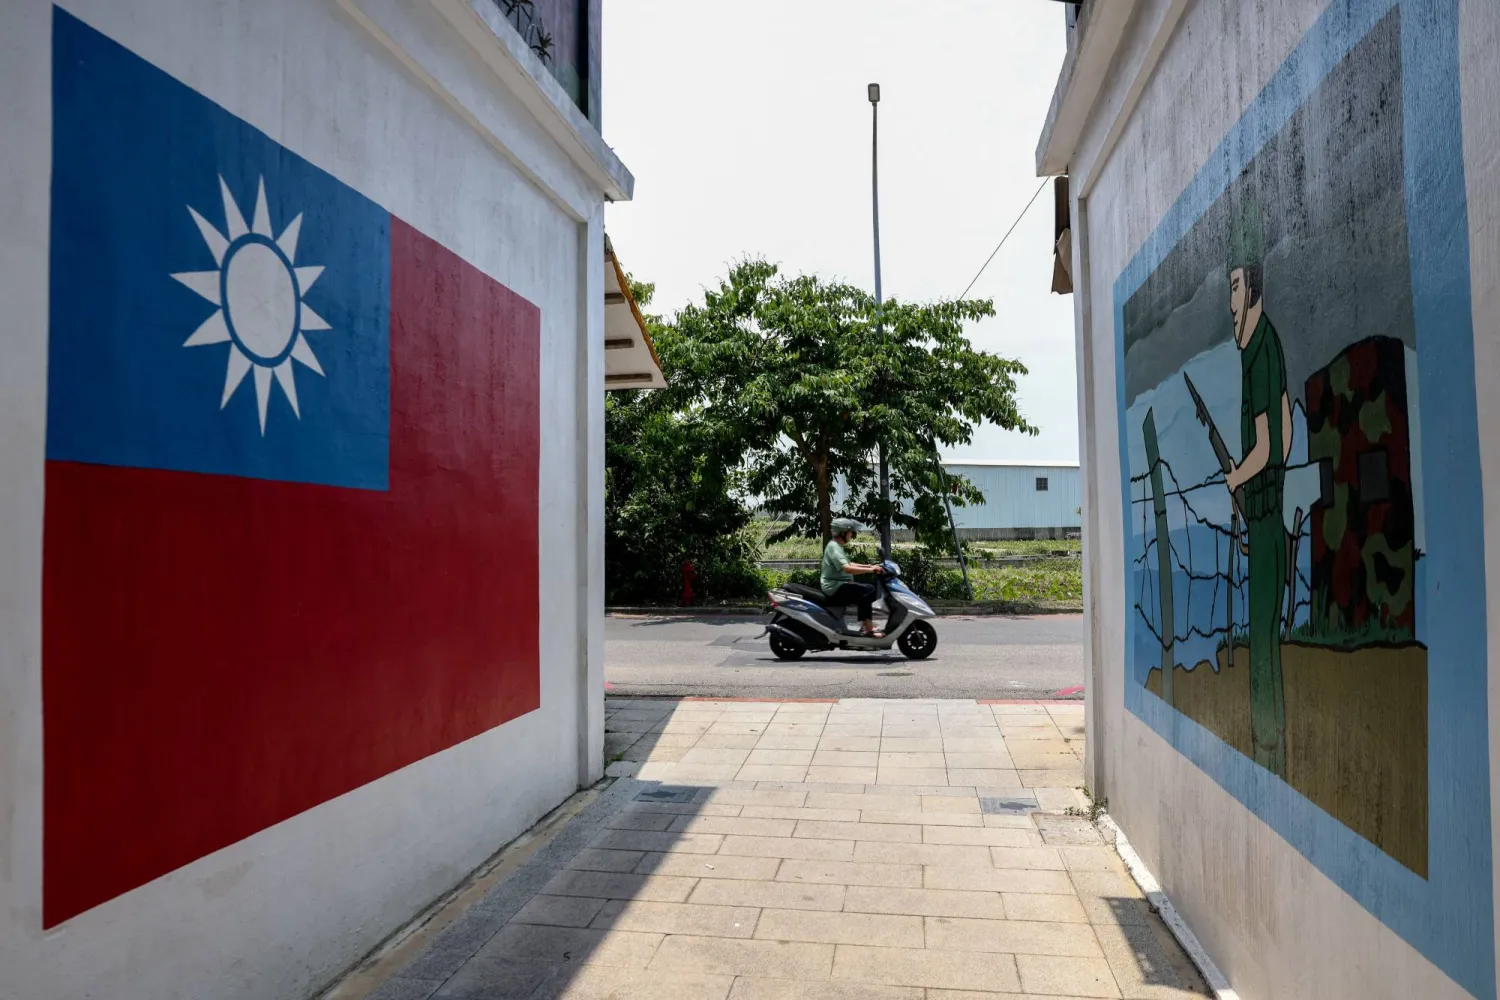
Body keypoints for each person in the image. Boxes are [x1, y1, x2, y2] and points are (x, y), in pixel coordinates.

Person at [1220, 196, 1291, 779]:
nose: (1230, 299)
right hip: (1266, 516)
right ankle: (1268, 743)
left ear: (1255, 287)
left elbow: (1269, 446)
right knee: (1263, 633)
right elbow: (1288, 429)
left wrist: (1237, 478)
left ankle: (1268, 746)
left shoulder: (1261, 349)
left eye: (1236, 286)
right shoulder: (1259, 351)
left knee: (1264, 642)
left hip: (1267, 518)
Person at [821, 518, 886, 636]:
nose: (851, 534)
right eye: (850, 532)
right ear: (843, 532)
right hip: (834, 587)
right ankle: (867, 627)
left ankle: (865, 624)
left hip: (838, 585)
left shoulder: (836, 546)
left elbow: (850, 564)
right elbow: (848, 568)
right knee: (868, 589)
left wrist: (870, 566)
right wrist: (871, 570)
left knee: (866, 588)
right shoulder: (834, 547)